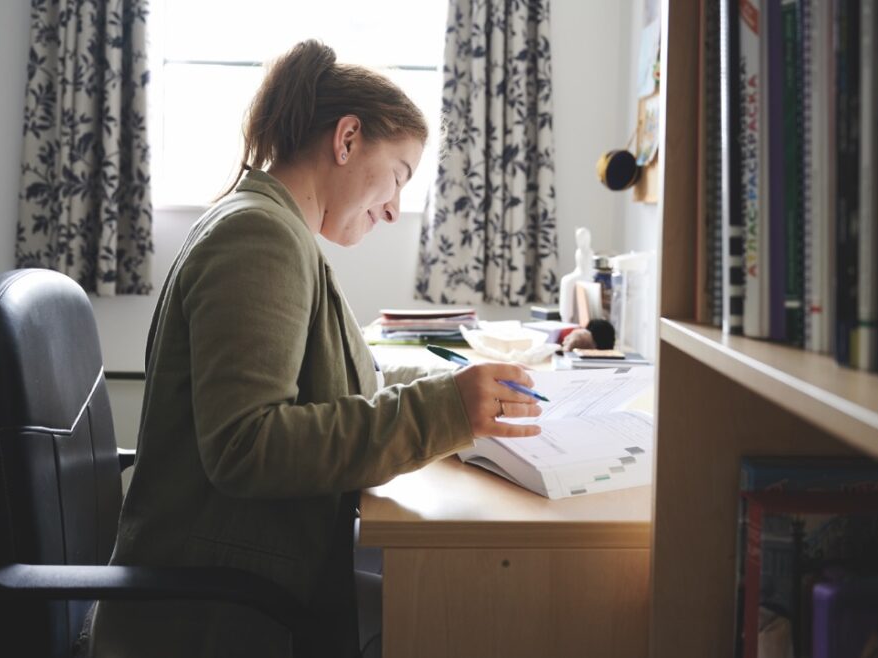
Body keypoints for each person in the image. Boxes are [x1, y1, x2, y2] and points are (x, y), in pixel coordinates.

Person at [89, 40, 543, 657]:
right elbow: (247, 447)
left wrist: (462, 380)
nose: (393, 209)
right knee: (470, 617)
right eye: (400, 176)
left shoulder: (276, 230)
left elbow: (345, 373)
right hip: (215, 609)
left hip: (243, 573)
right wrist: (446, 411)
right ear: (347, 138)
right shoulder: (258, 238)